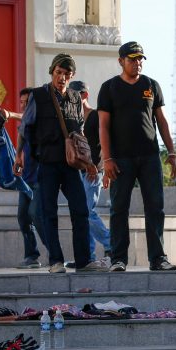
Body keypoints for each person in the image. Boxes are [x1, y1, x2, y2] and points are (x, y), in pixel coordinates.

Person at [15, 53, 105, 273]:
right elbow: (25, 128)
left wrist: (89, 161)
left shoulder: (75, 97)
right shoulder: (38, 95)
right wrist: (19, 155)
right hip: (47, 162)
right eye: (59, 73)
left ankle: (84, 261)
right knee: (48, 212)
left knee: (81, 210)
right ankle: (55, 261)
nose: (62, 77)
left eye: (67, 73)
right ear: (52, 72)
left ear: (71, 75)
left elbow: (80, 132)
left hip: (72, 165)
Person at [98, 41, 176, 272]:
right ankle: (118, 258)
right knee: (119, 207)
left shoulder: (151, 85)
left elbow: (161, 121)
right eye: (132, 59)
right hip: (120, 158)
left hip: (150, 156)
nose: (137, 63)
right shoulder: (109, 87)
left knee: (155, 206)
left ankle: (158, 258)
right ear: (121, 61)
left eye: (140, 59)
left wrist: (171, 152)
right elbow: (103, 126)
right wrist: (107, 158)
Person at [69, 80, 111, 267]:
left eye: (75, 95)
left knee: (87, 211)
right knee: (82, 212)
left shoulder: (95, 116)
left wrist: (102, 169)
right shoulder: (74, 119)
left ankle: (111, 245)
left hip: (94, 170)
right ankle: (88, 256)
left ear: (84, 95)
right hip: (79, 169)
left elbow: (105, 143)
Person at [7, 88, 47, 269]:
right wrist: (18, 157)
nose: (24, 106)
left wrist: (9, 114)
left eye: (27, 102)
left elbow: (24, 118)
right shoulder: (25, 124)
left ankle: (55, 252)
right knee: (23, 217)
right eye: (21, 103)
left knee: (36, 215)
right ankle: (31, 256)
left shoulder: (41, 118)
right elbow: (21, 135)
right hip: (27, 177)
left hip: (41, 176)